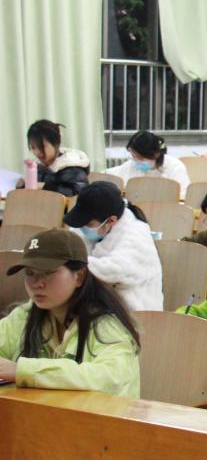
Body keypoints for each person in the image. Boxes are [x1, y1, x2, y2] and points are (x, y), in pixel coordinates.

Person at [0, 228, 140, 396]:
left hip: (97, 412)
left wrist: (20, 370)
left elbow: (111, 378)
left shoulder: (107, 324)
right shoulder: (25, 315)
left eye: (48, 272)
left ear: (79, 276)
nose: (37, 283)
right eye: (29, 273)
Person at [62, 181, 162, 311]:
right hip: (103, 303)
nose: (83, 228)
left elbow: (115, 270)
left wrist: (70, 261)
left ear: (111, 221)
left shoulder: (136, 235)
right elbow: (69, 246)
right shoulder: (95, 227)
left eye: (89, 224)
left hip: (135, 311)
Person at [106, 130, 191, 199]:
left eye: (140, 158)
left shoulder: (175, 167)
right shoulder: (130, 165)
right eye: (133, 156)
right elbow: (110, 175)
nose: (136, 161)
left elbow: (184, 197)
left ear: (156, 154)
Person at [17, 119, 90, 196]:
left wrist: (44, 186)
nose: (37, 152)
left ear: (56, 143)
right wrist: (23, 186)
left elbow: (80, 194)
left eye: (42, 147)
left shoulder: (72, 166)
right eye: (33, 147)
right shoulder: (39, 168)